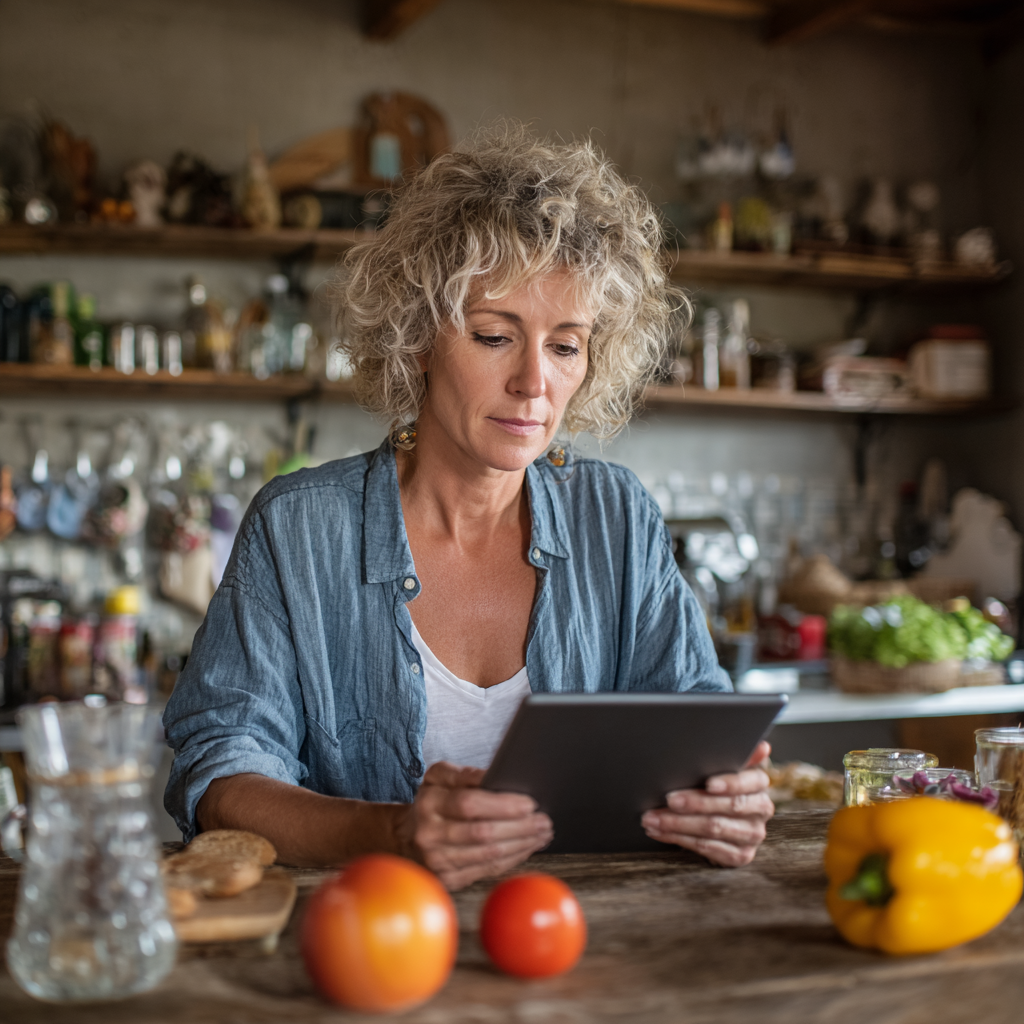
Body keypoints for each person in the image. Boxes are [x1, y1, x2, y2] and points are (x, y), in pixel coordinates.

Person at [163, 124, 774, 891]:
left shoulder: (614, 517)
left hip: (586, 954)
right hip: (369, 950)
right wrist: (390, 833)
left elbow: (695, 722)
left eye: (565, 345)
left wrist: (726, 797)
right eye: (494, 335)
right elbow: (221, 780)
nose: (533, 383)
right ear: (417, 337)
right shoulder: (300, 528)